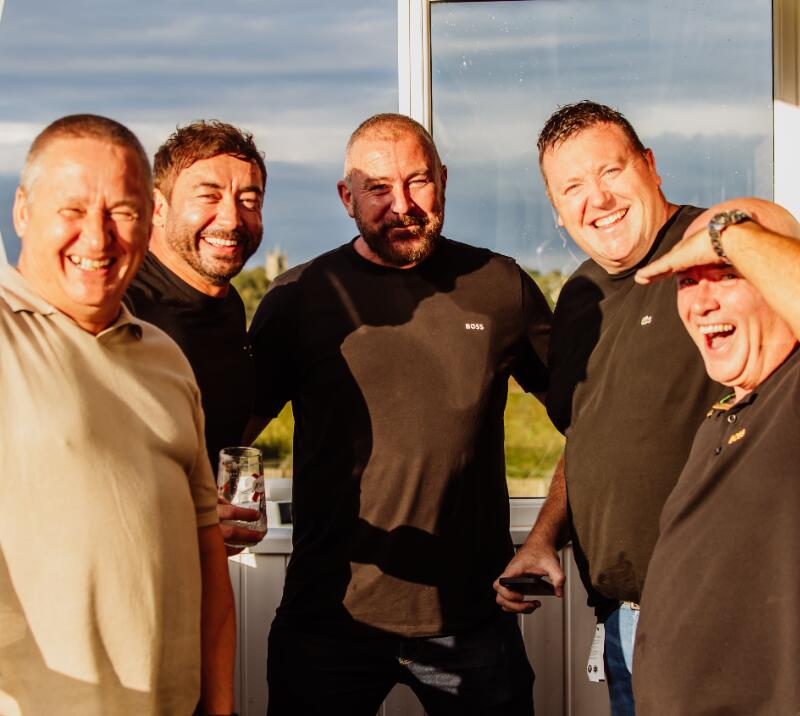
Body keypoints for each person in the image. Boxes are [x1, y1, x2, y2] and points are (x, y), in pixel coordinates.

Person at [247, 113, 552, 715]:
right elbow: (226, 434)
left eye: (418, 182)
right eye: (379, 188)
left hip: (473, 621)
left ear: (442, 179)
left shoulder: (500, 286)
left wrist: (546, 534)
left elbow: (592, 415)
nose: (402, 205)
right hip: (327, 619)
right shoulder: (298, 298)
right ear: (347, 198)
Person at [0, 114, 235, 715]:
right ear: (23, 211)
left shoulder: (166, 358)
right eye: (73, 210)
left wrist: (220, 706)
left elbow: (209, 557)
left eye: (122, 212)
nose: (99, 239)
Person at [494, 101, 720, 715]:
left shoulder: (719, 257)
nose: (597, 199)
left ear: (650, 166)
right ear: (558, 211)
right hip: (625, 619)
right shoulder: (581, 296)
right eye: (572, 187)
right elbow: (590, 438)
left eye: (611, 172)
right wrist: (544, 535)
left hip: (725, 613)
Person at [630, 198, 800, 714]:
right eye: (687, 279)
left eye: (725, 273)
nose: (700, 302)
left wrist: (733, 234)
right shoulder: (727, 412)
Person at [125, 120, 268, 550]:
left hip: (196, 576)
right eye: (208, 196)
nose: (231, 218)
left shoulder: (228, 304)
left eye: (249, 199)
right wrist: (193, 517)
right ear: (159, 207)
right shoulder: (120, 305)